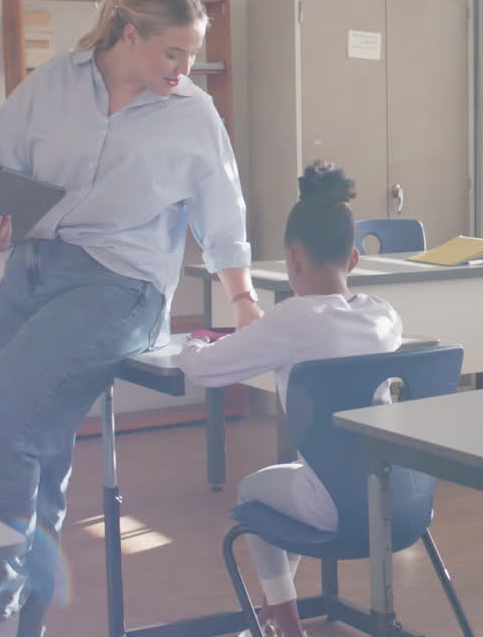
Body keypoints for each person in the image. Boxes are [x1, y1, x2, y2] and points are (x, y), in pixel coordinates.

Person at [0, 0, 261, 637]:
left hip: (118, 286)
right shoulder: (50, 87)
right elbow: (1, 172)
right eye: (173, 52)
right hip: (29, 274)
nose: (185, 67)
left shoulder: (192, 114)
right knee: (31, 454)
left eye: (192, 53)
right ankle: (19, 627)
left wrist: (242, 298)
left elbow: (221, 211)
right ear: (130, 33)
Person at [179, 162, 403, 637]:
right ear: (355, 260)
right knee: (292, 487)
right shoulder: (385, 317)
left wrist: (197, 339)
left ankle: (284, 625)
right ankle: (274, 618)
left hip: (332, 504)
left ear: (293, 259)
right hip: (400, 500)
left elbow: (203, 369)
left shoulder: (291, 319)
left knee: (255, 493)